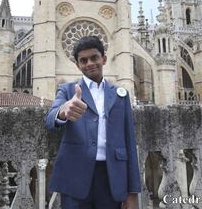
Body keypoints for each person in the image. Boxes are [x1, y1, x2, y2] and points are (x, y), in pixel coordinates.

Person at [45, 35, 141, 209]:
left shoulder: (121, 94)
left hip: (112, 177)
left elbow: (129, 142)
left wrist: (132, 192)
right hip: (75, 177)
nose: (89, 63)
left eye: (94, 58)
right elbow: (50, 119)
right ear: (77, 65)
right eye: (83, 60)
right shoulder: (67, 90)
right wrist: (64, 111)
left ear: (103, 59)